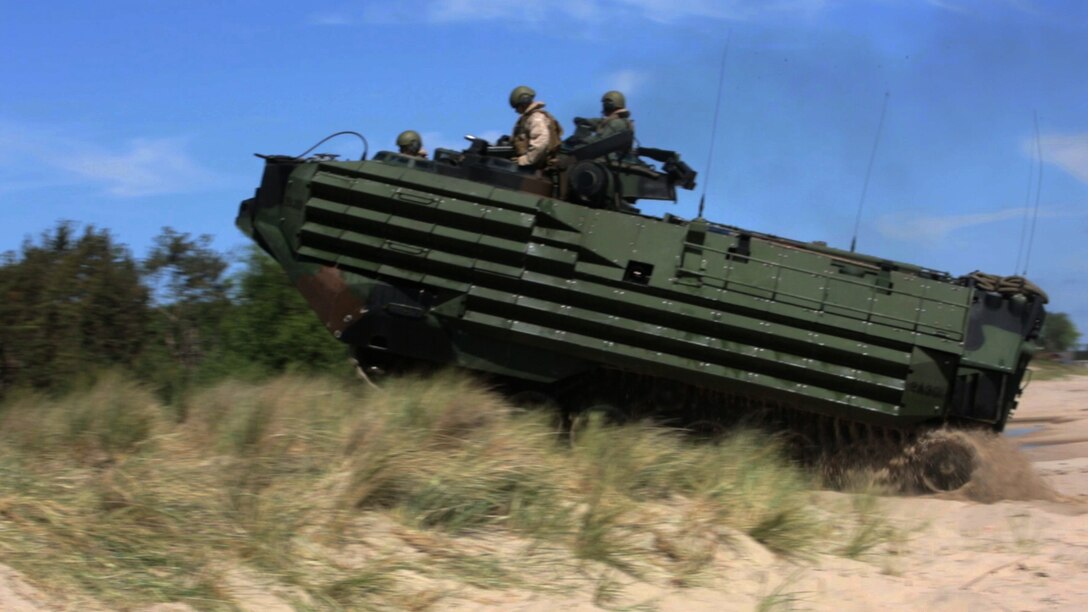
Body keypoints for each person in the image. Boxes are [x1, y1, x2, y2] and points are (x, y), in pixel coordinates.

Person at [508, 85, 562, 168]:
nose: (516, 110)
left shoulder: (536, 118)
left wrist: (525, 160)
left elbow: (541, 143)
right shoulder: (527, 118)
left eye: (517, 106)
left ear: (523, 102)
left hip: (537, 168)